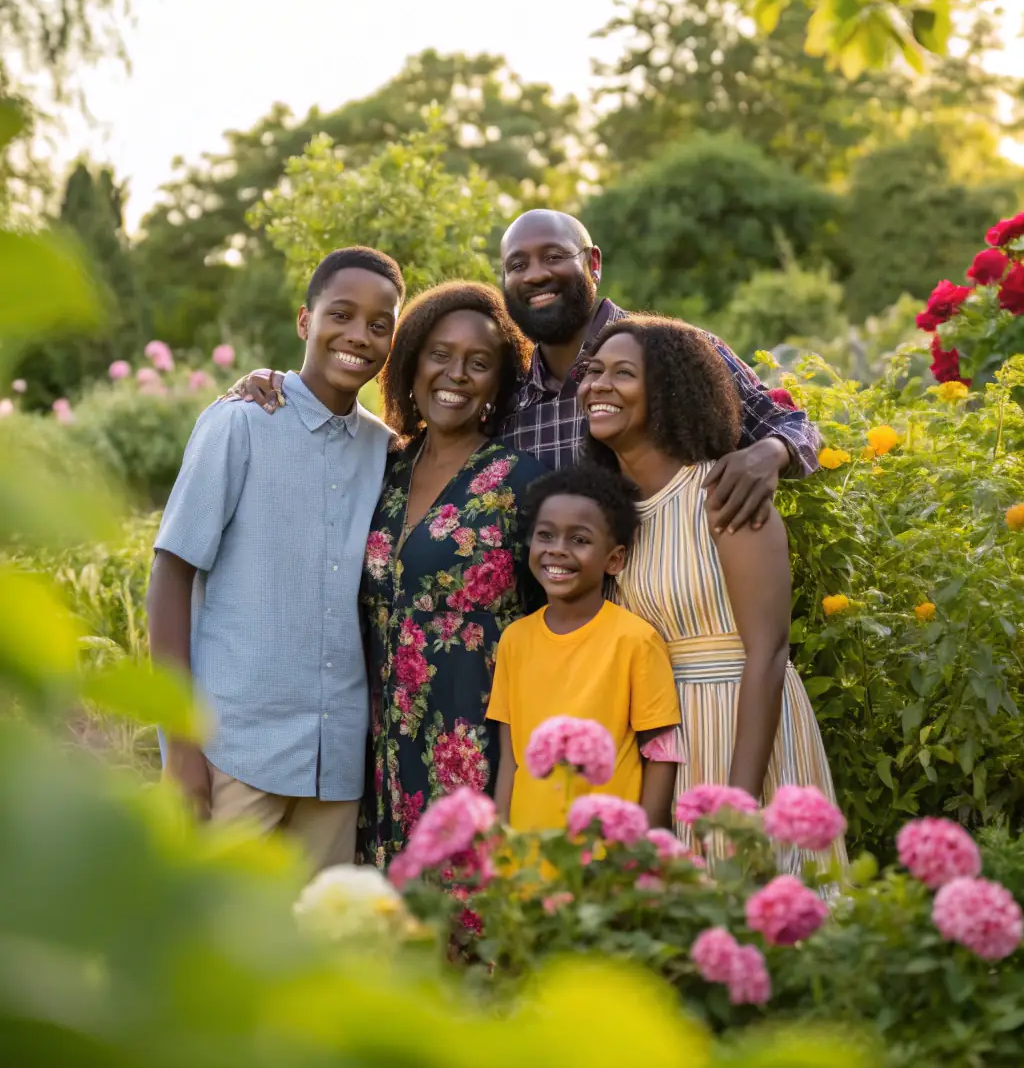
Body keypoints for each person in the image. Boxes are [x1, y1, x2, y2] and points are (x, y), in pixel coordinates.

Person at [225, 209, 820, 532]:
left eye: (552, 256)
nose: (534, 274)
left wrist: (768, 455)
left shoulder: (666, 353)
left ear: (592, 263)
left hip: (679, 618)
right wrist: (281, 384)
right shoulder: (509, 398)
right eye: (517, 264)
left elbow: (793, 424)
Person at [147, 247, 403, 873]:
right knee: (210, 948)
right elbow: (170, 574)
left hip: (336, 763)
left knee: (318, 947)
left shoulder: (384, 450)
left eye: (379, 324)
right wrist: (181, 749)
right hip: (234, 747)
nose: (358, 336)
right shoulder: (240, 423)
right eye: (341, 314)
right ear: (303, 320)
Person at [578, 313, 846, 872]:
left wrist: (740, 805)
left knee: (767, 922)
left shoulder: (725, 495)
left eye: (623, 373)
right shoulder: (617, 516)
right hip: (667, 746)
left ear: (669, 391)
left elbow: (768, 654)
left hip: (742, 730)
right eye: (593, 370)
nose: (598, 384)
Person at [360, 281, 547, 869]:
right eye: (440, 354)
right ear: (412, 362)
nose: (456, 374)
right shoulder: (378, 468)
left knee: (469, 933)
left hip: (476, 743)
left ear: (499, 382)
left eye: (479, 363)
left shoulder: (524, 482)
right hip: (376, 746)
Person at [488, 462, 680, 831]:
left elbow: (661, 755)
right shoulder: (515, 639)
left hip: (606, 856)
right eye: (546, 535)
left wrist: (645, 846)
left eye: (579, 539)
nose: (557, 550)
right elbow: (510, 759)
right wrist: (499, 842)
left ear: (614, 560)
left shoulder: (636, 640)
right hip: (528, 855)